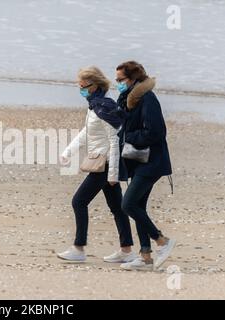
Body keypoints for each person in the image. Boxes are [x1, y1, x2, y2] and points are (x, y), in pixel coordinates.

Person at [57, 66, 137, 263]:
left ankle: (79, 248)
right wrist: (68, 152)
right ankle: (126, 251)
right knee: (118, 207)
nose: (81, 89)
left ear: (95, 86)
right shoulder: (95, 106)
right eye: (79, 85)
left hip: (105, 164)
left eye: (83, 85)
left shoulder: (105, 107)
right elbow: (86, 133)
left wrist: (113, 174)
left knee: (79, 202)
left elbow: (114, 141)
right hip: (101, 161)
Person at [115, 61, 176, 271]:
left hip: (152, 162)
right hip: (138, 160)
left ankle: (162, 241)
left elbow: (156, 132)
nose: (118, 84)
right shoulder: (127, 99)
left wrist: (128, 137)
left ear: (133, 79)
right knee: (138, 206)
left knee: (128, 204)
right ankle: (146, 257)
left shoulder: (147, 98)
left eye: (120, 80)